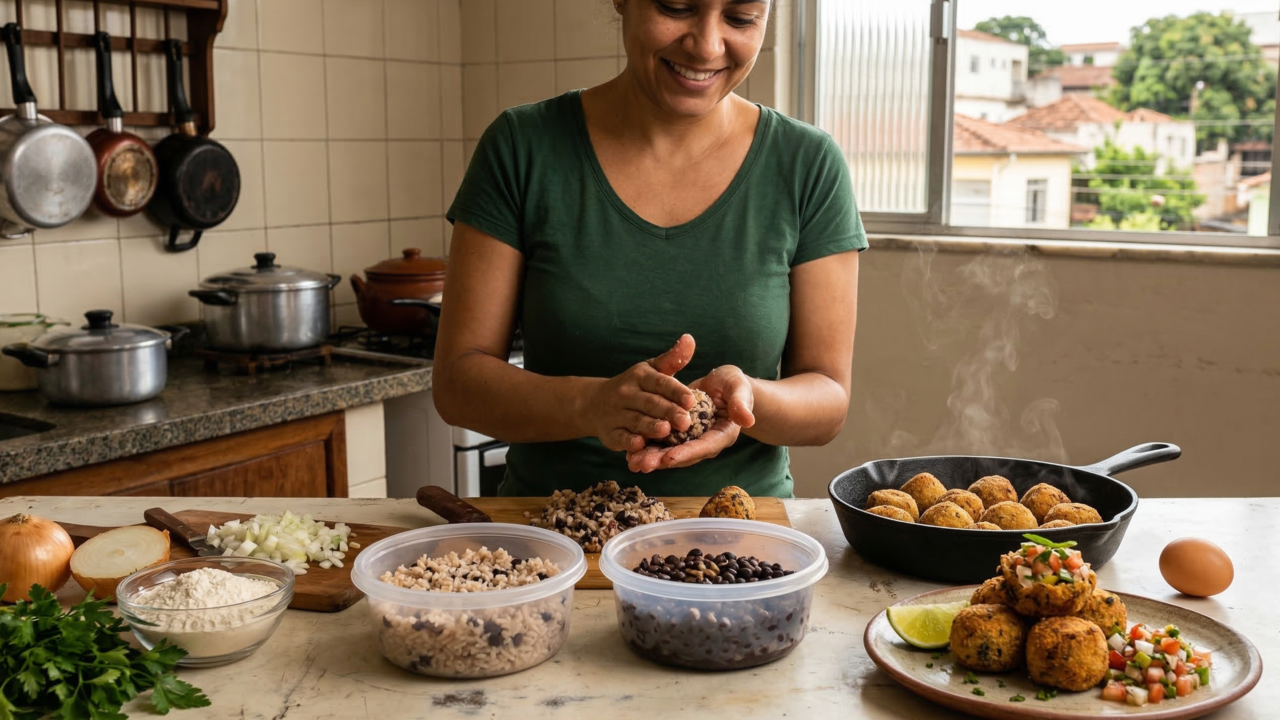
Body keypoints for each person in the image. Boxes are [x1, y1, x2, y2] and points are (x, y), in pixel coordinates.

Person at [433, 0, 866, 498]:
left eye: (741, 18)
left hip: (743, 545)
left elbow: (828, 401)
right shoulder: (521, 147)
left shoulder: (807, 164)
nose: (706, 45)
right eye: (676, 7)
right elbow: (458, 384)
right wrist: (591, 404)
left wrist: (748, 401)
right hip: (551, 544)